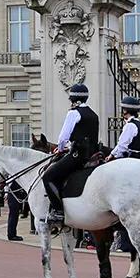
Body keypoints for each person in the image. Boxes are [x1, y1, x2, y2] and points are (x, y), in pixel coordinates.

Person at [42, 83, 99, 226]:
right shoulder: (94, 114)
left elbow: (63, 137)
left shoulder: (73, 113)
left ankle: (58, 211)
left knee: (48, 177)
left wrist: (60, 148)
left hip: (78, 155)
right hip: (92, 155)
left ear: (73, 99)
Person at [105, 95, 140, 161]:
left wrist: (114, 157)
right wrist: (111, 154)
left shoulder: (130, 125)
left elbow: (122, 146)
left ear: (125, 111)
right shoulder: (139, 124)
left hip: (132, 159)